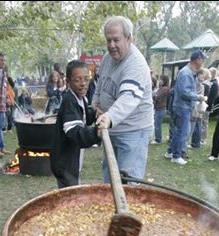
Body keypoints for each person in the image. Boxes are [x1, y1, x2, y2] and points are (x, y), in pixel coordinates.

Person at [93, 16, 153, 182]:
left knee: (127, 184)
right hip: (111, 130)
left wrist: (109, 117)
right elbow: (100, 84)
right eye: (108, 40)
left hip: (133, 132)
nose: (112, 45)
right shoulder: (107, 58)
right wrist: (95, 103)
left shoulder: (136, 64)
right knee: (110, 180)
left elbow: (128, 98)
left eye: (116, 40)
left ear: (129, 38)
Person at [50, 60, 101, 188]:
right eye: (77, 80)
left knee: (73, 190)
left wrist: (94, 113)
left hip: (72, 159)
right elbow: (75, 133)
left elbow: (84, 118)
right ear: (68, 82)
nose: (83, 84)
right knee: (70, 196)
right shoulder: (69, 101)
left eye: (86, 79)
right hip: (64, 162)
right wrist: (96, 132)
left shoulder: (81, 98)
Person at [170, 49, 207, 165]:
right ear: (197, 60)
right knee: (182, 132)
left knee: (178, 132)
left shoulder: (188, 72)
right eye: (202, 59)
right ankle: (176, 156)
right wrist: (198, 97)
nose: (203, 62)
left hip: (182, 106)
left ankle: (170, 152)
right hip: (182, 107)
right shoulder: (186, 73)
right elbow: (184, 92)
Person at [152, 74, 170, 144]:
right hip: (158, 109)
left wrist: (154, 96)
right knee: (157, 124)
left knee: (157, 125)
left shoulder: (165, 89)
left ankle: (158, 140)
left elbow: (157, 97)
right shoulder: (161, 88)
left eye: (161, 79)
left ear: (164, 80)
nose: (159, 81)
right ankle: (157, 138)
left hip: (160, 109)